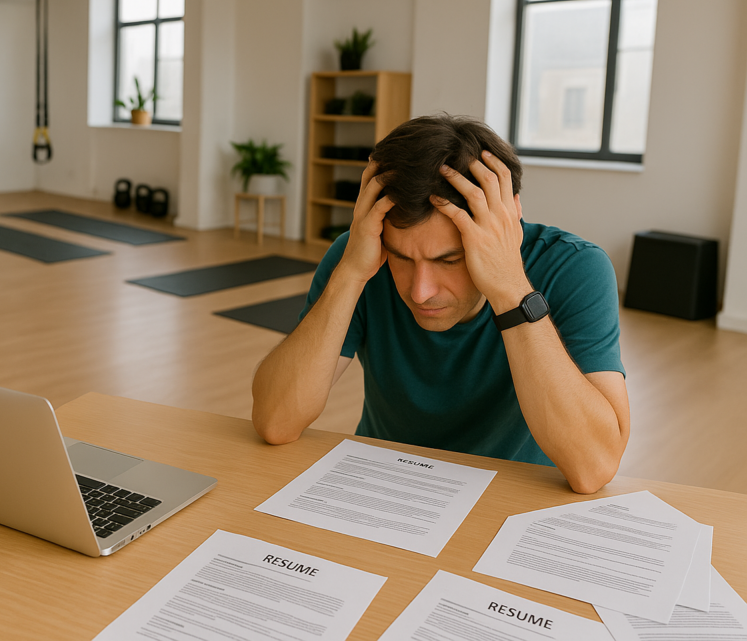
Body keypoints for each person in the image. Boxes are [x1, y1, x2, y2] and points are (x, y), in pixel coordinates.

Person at [251, 114, 629, 494]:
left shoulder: (576, 268)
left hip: (513, 497)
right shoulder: (363, 254)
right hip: (387, 486)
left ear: (509, 217)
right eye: (401, 257)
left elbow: (593, 468)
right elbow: (276, 422)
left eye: (450, 260)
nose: (420, 292)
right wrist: (350, 274)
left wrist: (510, 289)